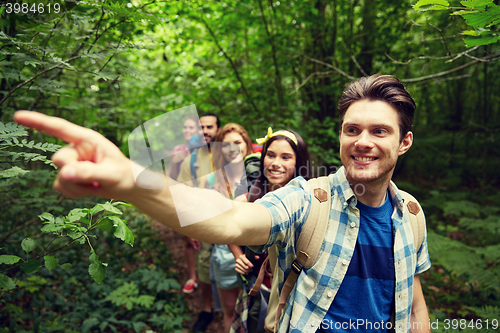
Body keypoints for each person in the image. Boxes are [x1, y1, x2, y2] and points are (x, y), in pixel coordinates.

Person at [14, 74, 431, 333]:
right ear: (339, 135)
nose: (362, 142)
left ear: (405, 141)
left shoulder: (410, 214)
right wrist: (133, 181)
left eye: (379, 131)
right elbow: (231, 217)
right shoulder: (308, 197)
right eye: (352, 129)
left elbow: (411, 299)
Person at [230, 128, 311, 333]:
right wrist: (239, 256)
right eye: (271, 155)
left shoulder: (311, 203)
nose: (276, 163)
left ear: (298, 162)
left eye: (286, 157)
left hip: (294, 297)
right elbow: (231, 229)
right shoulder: (250, 197)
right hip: (259, 290)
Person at [177, 113, 220, 332]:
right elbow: (182, 194)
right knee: (204, 267)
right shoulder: (191, 160)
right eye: (201, 127)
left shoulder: (230, 154)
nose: (205, 131)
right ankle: (206, 309)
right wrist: (189, 229)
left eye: (210, 127)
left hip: (231, 221)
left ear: (217, 129)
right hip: (203, 223)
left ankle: (232, 309)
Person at [210, 123, 254, 333]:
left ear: (247, 144)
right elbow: (218, 223)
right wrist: (236, 255)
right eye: (226, 145)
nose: (233, 148)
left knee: (257, 310)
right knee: (231, 311)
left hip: (257, 254)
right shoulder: (213, 180)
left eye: (238, 142)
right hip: (226, 255)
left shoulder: (260, 174)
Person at [169, 116, 200, 180]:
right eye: (185, 127)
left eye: (191, 128)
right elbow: (172, 178)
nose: (187, 130)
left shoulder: (203, 149)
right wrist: (174, 163)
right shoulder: (178, 149)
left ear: (198, 130)